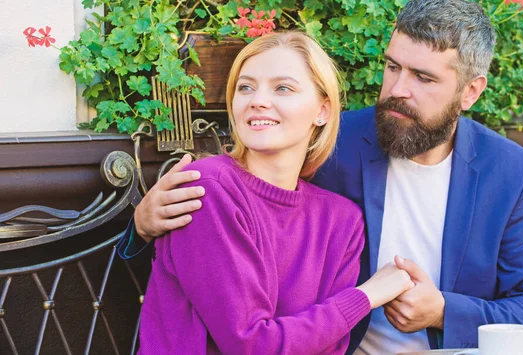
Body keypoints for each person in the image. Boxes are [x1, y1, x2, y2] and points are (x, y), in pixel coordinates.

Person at [121, 0, 523, 353]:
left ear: (470, 92)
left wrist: (443, 311)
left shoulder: (508, 171)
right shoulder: (328, 143)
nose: (398, 89)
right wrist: (139, 229)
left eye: (423, 77)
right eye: (393, 67)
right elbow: (225, 236)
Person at [132, 31, 416, 354]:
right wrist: (366, 296)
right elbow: (252, 345)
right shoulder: (209, 190)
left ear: (322, 110)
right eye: (245, 87)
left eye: (282, 88)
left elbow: (330, 348)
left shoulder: (342, 223)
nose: (258, 100)